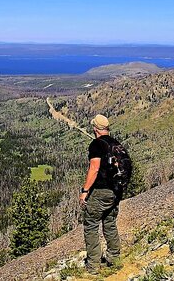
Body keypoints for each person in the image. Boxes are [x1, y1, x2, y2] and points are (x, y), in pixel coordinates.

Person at [79, 114, 121, 272]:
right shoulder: (115, 144)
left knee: (90, 225)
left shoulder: (96, 145)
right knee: (110, 224)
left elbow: (94, 168)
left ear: (95, 129)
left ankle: (93, 266)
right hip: (114, 191)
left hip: (100, 191)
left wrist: (84, 191)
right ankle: (114, 258)